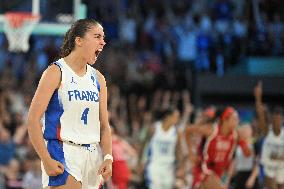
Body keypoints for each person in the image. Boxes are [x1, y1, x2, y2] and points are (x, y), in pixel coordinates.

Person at [27, 19, 112, 189]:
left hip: (93, 156)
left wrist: (108, 157)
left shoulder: (98, 79)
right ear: (79, 41)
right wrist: (45, 158)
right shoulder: (56, 72)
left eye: (103, 37)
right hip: (64, 151)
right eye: (97, 36)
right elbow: (32, 120)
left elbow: (104, 126)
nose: (103, 42)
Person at [185, 106, 251, 189]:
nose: (237, 121)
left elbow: (248, 154)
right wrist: (191, 153)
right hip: (205, 169)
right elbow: (188, 130)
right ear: (225, 119)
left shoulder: (236, 135)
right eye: (235, 119)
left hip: (219, 173)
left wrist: (245, 142)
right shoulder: (211, 130)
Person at [142, 107, 184, 189]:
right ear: (167, 117)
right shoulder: (154, 128)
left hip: (169, 166)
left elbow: (179, 150)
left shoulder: (176, 132)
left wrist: (181, 167)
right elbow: (143, 145)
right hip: (154, 165)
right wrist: (139, 162)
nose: (177, 119)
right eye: (176, 117)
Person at [254, 82, 284, 189]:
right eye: (274, 119)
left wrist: (279, 157)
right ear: (271, 120)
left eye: (279, 119)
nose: (276, 122)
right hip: (269, 167)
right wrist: (258, 97)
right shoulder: (267, 131)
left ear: (282, 120)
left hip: (281, 166)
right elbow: (261, 114)